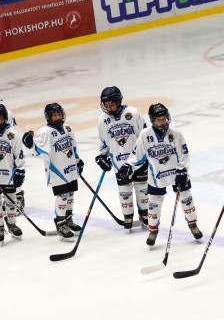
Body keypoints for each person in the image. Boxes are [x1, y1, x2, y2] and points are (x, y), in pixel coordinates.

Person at [119, 103, 202, 246]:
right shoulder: (145, 135)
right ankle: (153, 230)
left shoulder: (175, 133)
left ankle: (193, 224)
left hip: (177, 173)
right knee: (154, 204)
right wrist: (128, 165)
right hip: (156, 175)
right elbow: (137, 155)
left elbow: (183, 154)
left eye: (163, 118)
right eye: (158, 119)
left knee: (186, 198)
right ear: (152, 120)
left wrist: (182, 170)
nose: (161, 122)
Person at [22, 103, 83, 241]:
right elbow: (36, 148)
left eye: (58, 114)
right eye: (54, 115)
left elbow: (73, 148)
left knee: (71, 195)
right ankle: (60, 224)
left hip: (71, 169)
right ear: (49, 117)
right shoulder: (46, 131)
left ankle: (68, 220)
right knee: (63, 196)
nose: (57, 117)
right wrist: (29, 143)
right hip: (57, 172)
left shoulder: (68, 128)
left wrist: (78, 161)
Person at [95, 86, 149, 229]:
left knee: (142, 189)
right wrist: (102, 157)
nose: (109, 107)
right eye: (106, 105)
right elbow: (103, 142)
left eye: (111, 104)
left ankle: (145, 214)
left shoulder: (133, 113)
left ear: (119, 101)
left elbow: (145, 136)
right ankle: (128, 216)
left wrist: (147, 154)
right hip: (119, 162)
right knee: (124, 192)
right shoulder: (103, 119)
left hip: (138, 160)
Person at [0, 105, 25, 244]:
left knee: (11, 201)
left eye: (0, 118)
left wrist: (20, 171)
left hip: (8, 175)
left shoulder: (12, 134)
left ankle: (11, 223)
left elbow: (19, 155)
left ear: (5, 118)